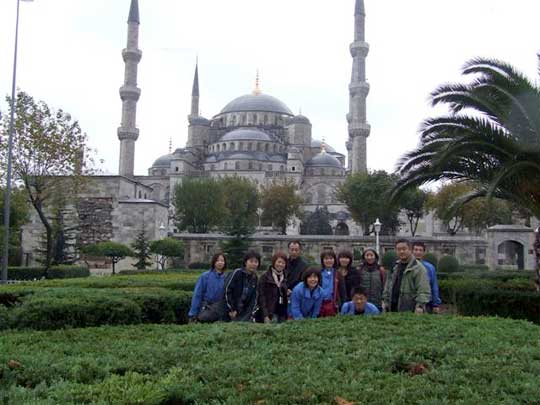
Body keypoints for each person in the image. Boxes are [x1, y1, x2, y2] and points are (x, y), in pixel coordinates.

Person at [382, 239, 431, 314]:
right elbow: (387, 287)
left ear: (410, 250)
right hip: (392, 309)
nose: (401, 251)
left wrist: (420, 306)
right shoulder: (394, 267)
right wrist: (385, 301)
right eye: (399, 249)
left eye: (404, 249)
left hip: (410, 310)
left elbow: (423, 290)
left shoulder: (418, 268)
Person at [188, 253, 227, 322]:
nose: (220, 262)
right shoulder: (205, 276)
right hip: (206, 308)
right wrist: (192, 313)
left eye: (222, 261)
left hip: (221, 310)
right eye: (217, 260)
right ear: (214, 262)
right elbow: (197, 295)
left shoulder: (226, 277)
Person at [223, 250, 260, 322]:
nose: (253, 264)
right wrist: (232, 309)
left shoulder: (255, 278)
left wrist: (249, 314)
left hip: (242, 311)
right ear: (246, 262)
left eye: (256, 262)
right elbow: (227, 290)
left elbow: (254, 298)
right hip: (229, 309)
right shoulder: (237, 273)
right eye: (251, 261)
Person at [256, 252, 289, 323]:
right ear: (274, 262)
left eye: (283, 263)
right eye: (279, 262)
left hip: (281, 312)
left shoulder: (285, 277)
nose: (280, 264)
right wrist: (265, 315)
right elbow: (261, 297)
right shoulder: (265, 277)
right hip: (269, 313)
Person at [412, 241, 442, 314]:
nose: (418, 252)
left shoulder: (430, 268)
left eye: (420, 250)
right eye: (416, 250)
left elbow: (434, 286)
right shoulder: (406, 266)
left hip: (426, 303)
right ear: (412, 251)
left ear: (424, 252)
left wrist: (435, 304)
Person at [319, 249, 347, 317]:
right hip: (320, 304)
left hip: (334, 304)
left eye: (331, 258)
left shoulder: (338, 274)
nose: (329, 261)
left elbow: (342, 292)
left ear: (334, 260)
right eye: (326, 259)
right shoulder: (318, 273)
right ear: (322, 260)